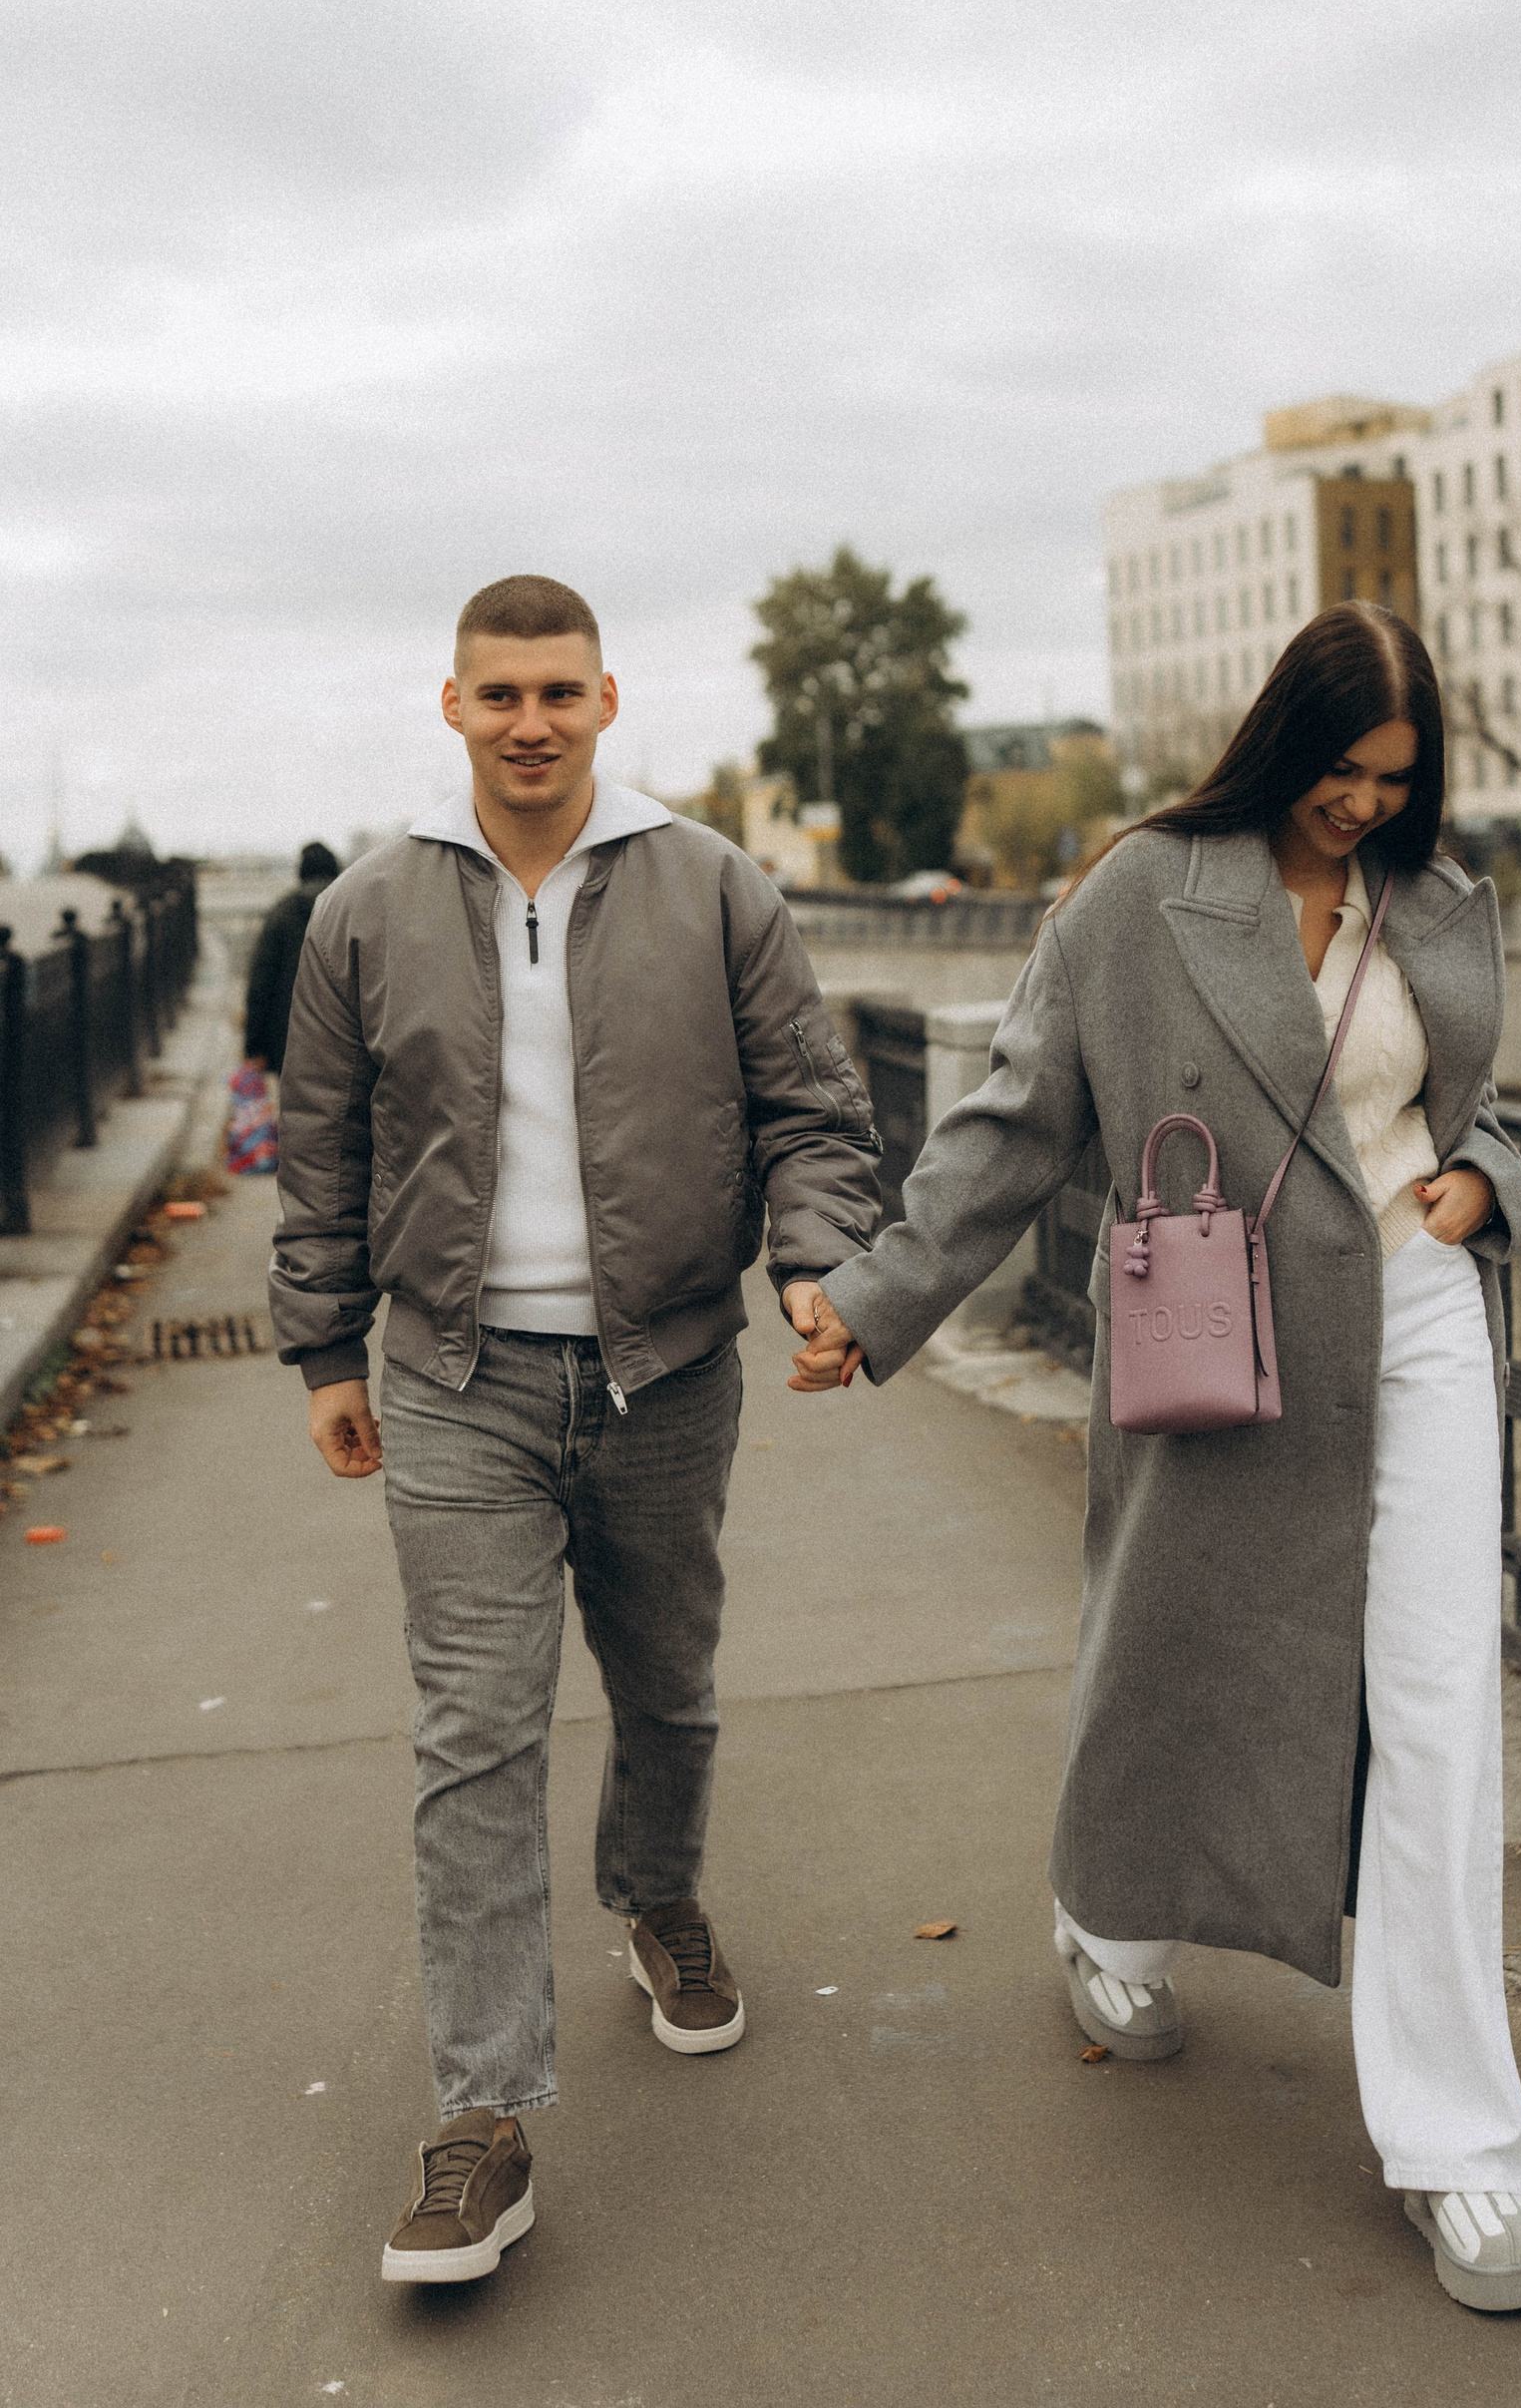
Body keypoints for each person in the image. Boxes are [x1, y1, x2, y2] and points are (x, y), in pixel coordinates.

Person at [791, 602, 1521, 2316]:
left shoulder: (1434, 898)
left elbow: (1474, 1103)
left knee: (1438, 1713)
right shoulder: (1144, 893)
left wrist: (1487, 1181)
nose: (1364, 804)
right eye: (1342, 771)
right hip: (1226, 1316)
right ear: (1284, 740)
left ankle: (1462, 2147)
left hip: (1419, 1315)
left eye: (1396, 779)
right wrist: (875, 1297)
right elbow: (1014, 1119)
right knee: (1175, 1647)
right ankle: (1111, 1918)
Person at [268, 573, 882, 2285]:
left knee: (668, 1678)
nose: (529, 722)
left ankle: (657, 1893)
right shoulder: (366, 913)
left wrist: (816, 1264)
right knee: (475, 1733)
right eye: (500, 694)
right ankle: (483, 2117)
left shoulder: (714, 887)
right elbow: (319, 1149)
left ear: (607, 701)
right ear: (452, 706)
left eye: (559, 692)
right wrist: (321, 1348)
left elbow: (814, 1110)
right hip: (451, 1377)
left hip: (666, 1367)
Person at [243, 840, 340, 1075]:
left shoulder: (282, 912)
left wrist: (254, 1046)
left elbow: (261, 982)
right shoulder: (351, 910)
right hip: (342, 1037)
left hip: (287, 1036)